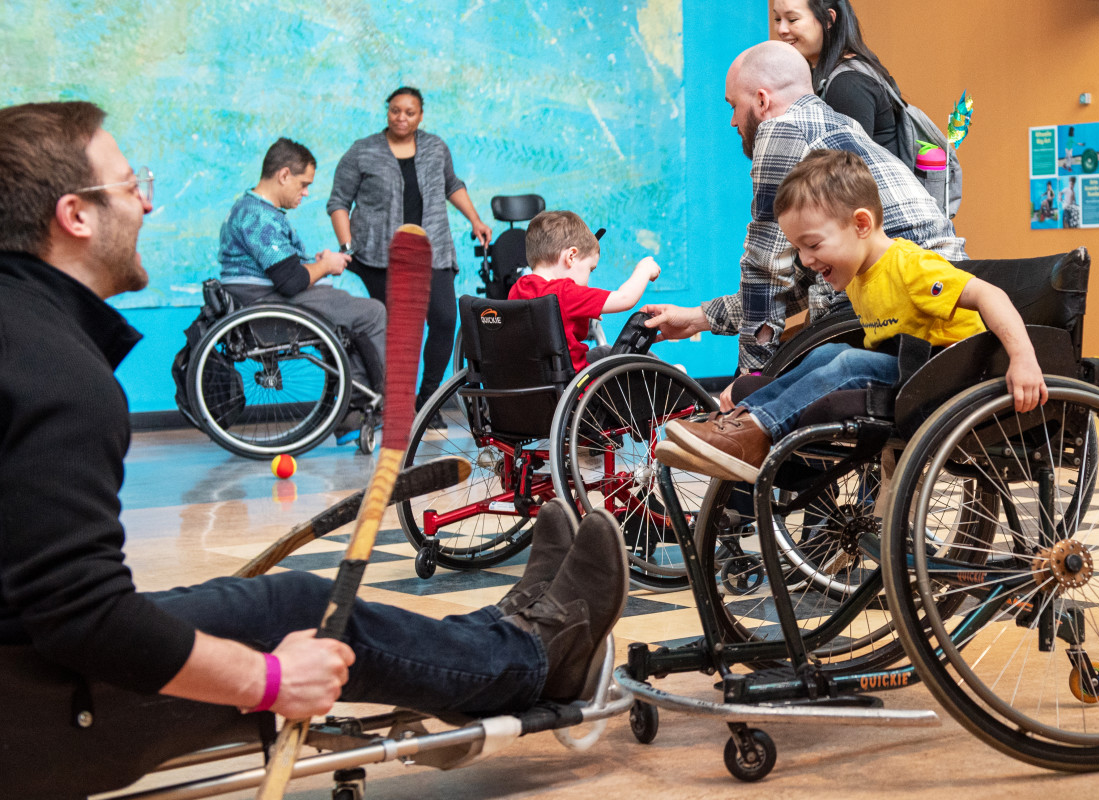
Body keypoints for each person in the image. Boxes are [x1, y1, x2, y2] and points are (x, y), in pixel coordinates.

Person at [0, 100, 628, 797]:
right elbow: (79, 616)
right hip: (35, 715)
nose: (145, 205)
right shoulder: (52, 372)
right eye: (128, 186)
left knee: (247, 602)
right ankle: (533, 661)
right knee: (292, 612)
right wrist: (268, 680)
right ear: (75, 215)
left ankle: (498, 637)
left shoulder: (20, 333)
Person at [658, 149, 1046, 483]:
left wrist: (1023, 358)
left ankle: (755, 434)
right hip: (910, 366)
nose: (807, 260)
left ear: (861, 224)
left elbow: (990, 294)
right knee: (825, 356)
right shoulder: (858, 275)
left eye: (812, 245)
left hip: (948, 372)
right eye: (798, 249)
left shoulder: (910, 266)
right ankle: (747, 420)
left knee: (846, 361)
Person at [643, 41, 965, 382]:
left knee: (774, 386)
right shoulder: (841, 126)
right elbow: (802, 279)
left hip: (893, 298)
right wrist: (699, 317)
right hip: (937, 291)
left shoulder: (781, 129)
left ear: (762, 101)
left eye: (734, 106)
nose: (733, 121)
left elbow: (765, 273)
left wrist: (749, 380)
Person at [327, 87, 493, 426]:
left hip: (431, 250)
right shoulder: (363, 151)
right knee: (392, 331)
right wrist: (346, 247)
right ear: (387, 111)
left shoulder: (435, 147)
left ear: (420, 115)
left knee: (445, 320)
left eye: (409, 112)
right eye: (395, 111)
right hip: (379, 256)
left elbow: (452, 185)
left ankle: (427, 402)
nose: (401, 118)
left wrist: (475, 220)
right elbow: (338, 202)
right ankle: (389, 405)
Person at [217, 137, 386, 444]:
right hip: (266, 306)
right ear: (283, 175)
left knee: (348, 311)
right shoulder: (258, 216)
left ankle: (353, 411)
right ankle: (375, 406)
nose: (306, 192)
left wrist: (314, 263)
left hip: (260, 296)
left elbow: (282, 267)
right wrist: (328, 264)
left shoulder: (248, 209)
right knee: (372, 312)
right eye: (303, 183)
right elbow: (290, 281)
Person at [508, 210, 661, 372]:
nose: (588, 279)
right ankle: (672, 381)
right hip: (577, 388)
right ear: (571, 256)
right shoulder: (565, 292)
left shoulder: (517, 290)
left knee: (601, 352)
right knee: (615, 355)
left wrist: (583, 310)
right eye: (590, 269)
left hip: (534, 385)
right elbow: (625, 298)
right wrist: (643, 270)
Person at [773, 0, 902, 160]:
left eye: (792, 19)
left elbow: (847, 174)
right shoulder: (823, 73)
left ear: (828, 19)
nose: (781, 30)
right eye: (777, 19)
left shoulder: (849, 83)